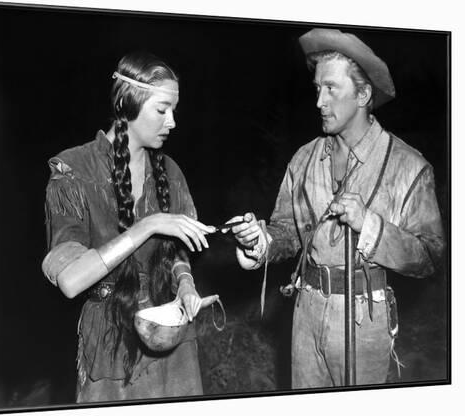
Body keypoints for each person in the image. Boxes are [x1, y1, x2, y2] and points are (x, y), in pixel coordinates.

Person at [227, 28, 445, 388]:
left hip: (364, 320)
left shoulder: (408, 167)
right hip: (306, 311)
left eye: (331, 89)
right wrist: (260, 241)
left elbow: (430, 256)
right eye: (317, 89)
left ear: (362, 94)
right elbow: (288, 231)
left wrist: (370, 225)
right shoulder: (304, 158)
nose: (319, 102)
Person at [41, 51, 216, 402]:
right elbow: (71, 281)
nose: (172, 123)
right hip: (110, 344)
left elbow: (177, 251)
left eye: (174, 111)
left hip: (171, 334)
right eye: (162, 110)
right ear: (127, 102)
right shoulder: (73, 171)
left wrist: (185, 286)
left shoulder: (171, 172)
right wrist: (147, 226)